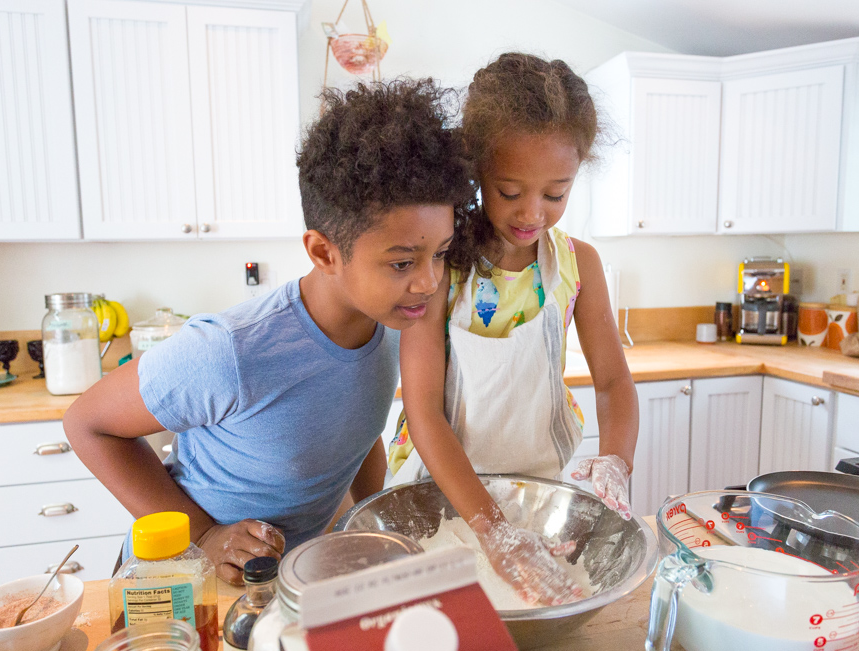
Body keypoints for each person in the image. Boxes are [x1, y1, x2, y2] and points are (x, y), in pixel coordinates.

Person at [63, 78, 474, 584]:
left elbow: (355, 433)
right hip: (181, 584)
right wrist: (208, 535)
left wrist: (376, 526)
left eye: (439, 253)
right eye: (403, 262)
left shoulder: (392, 325)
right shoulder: (230, 351)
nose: (429, 282)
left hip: (283, 581)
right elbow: (86, 424)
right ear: (324, 252)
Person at [387, 54, 639, 605]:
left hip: (537, 495)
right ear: (477, 171)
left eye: (555, 194)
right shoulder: (443, 265)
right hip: (439, 499)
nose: (533, 213)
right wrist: (493, 533)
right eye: (509, 191)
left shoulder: (578, 266)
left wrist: (616, 462)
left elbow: (614, 385)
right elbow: (425, 412)